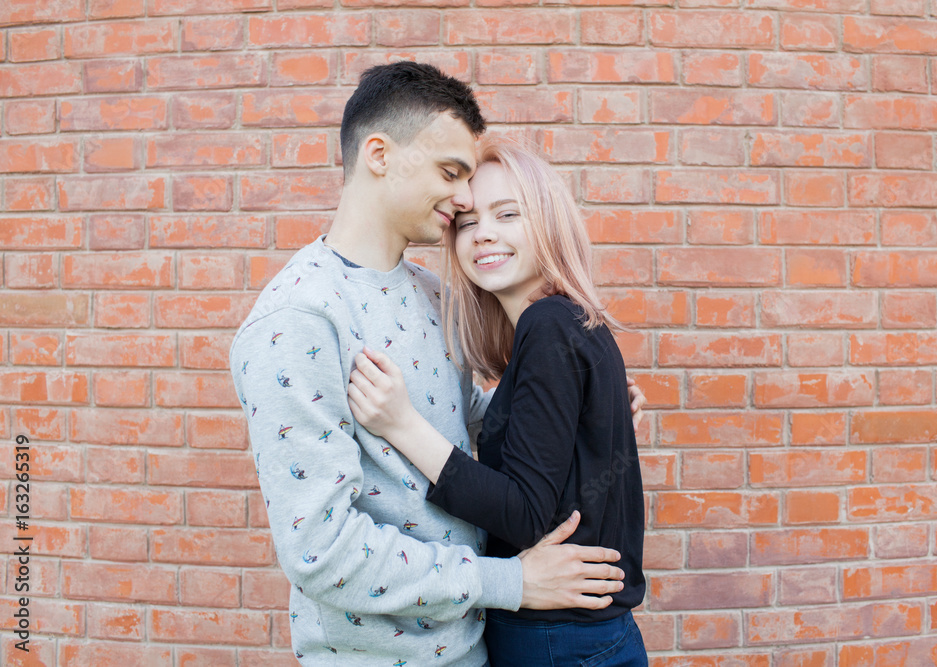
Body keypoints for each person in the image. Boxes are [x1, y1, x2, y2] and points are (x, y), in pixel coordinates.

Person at [229, 62, 640, 666]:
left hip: (475, 646)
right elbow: (320, 549)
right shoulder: (300, 318)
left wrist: (581, 404)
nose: (463, 198)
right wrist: (512, 582)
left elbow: (469, 417)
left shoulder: (431, 294)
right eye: (451, 174)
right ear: (378, 155)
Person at [347, 141, 648, 666]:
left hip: (555, 641)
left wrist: (402, 425)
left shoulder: (548, 325)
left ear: (549, 223)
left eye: (508, 214)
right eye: (467, 222)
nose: (483, 232)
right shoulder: (567, 323)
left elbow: (526, 514)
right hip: (583, 637)